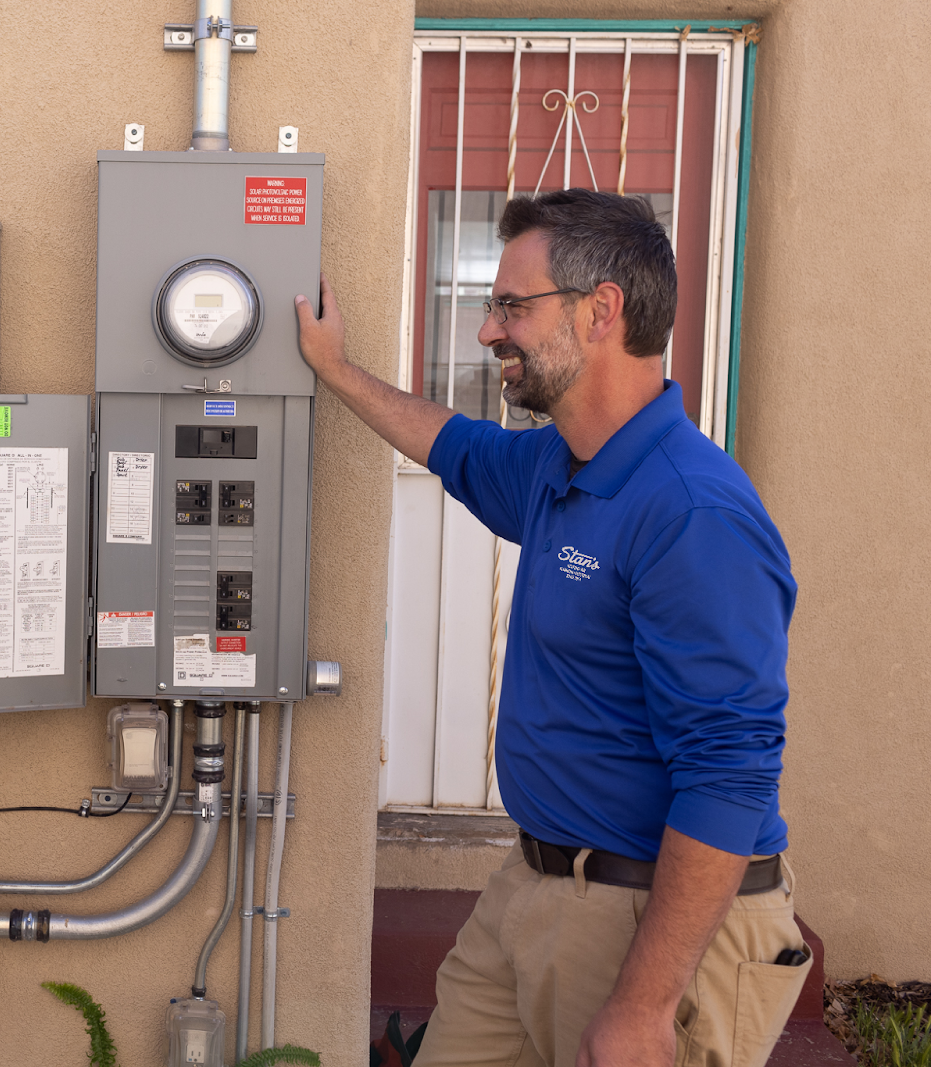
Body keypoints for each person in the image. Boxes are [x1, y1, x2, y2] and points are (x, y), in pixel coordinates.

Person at [297, 188, 809, 1067]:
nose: (491, 330)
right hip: (533, 888)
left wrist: (647, 1005)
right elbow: (452, 445)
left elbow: (731, 771)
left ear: (600, 309)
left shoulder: (692, 510)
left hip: (648, 919)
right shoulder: (558, 464)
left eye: (511, 306)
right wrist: (336, 369)